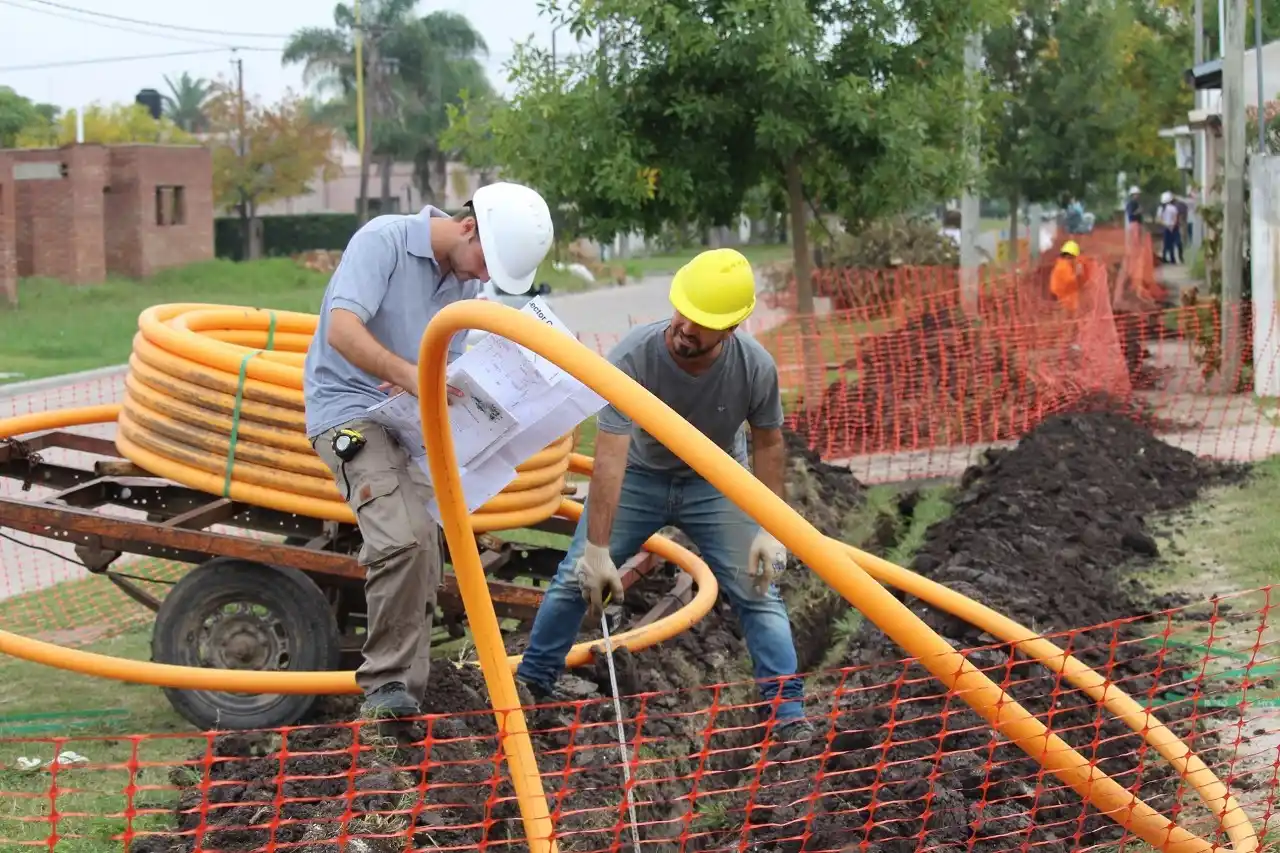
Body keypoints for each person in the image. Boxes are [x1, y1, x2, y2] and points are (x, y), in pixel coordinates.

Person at [514, 247, 814, 743]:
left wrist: (770, 528)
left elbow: (769, 443)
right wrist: (597, 550)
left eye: (702, 323)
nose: (685, 327)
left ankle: (787, 715)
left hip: (715, 480)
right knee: (573, 578)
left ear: (730, 328)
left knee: (759, 590)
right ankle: (531, 688)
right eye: (683, 311)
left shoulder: (754, 367)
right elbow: (610, 457)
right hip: (641, 477)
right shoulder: (635, 355)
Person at [303, 182, 554, 718]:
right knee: (405, 537)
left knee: (426, 545)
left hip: (402, 415)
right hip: (349, 413)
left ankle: (405, 698)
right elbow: (341, 331)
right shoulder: (384, 241)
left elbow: (441, 365)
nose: (485, 277)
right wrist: (408, 375)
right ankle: (385, 692)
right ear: (468, 227)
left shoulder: (462, 283)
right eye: (487, 262)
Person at [1050, 240, 1084, 314]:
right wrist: (1078, 274)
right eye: (1075, 257)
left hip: (1064, 298)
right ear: (1070, 256)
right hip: (1064, 298)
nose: (1076, 260)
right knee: (1067, 317)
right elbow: (1070, 281)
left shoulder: (1062, 265)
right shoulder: (1064, 266)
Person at [1158, 191, 1182, 264]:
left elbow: (1159, 219)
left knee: (1167, 244)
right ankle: (1175, 258)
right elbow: (1175, 218)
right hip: (1173, 227)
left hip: (1166, 227)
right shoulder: (1173, 208)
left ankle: (1166, 258)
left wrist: (1166, 225)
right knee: (1176, 243)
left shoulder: (1160, 208)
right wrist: (1172, 225)